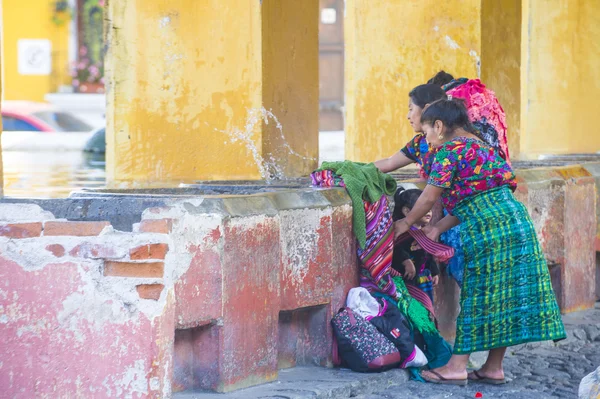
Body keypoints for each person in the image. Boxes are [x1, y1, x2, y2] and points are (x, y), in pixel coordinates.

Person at [392, 98, 566, 385]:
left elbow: (429, 196)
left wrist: (406, 222)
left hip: (489, 230)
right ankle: (493, 368)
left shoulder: (449, 150)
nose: (427, 141)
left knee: (478, 295)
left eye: (427, 132)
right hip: (514, 222)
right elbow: (478, 198)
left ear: (438, 126)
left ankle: (456, 367)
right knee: (505, 297)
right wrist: (436, 228)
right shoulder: (481, 146)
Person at [374, 84, 446, 176]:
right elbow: (389, 162)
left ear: (426, 109)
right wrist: (353, 169)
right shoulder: (419, 143)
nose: (408, 116)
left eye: (411, 109)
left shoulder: (454, 145)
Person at [391, 187, 439, 303]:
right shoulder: (401, 232)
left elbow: (428, 252)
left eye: (429, 208)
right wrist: (406, 260)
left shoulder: (424, 232)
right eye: (424, 209)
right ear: (407, 211)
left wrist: (434, 271)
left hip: (422, 279)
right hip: (405, 279)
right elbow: (395, 248)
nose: (429, 212)